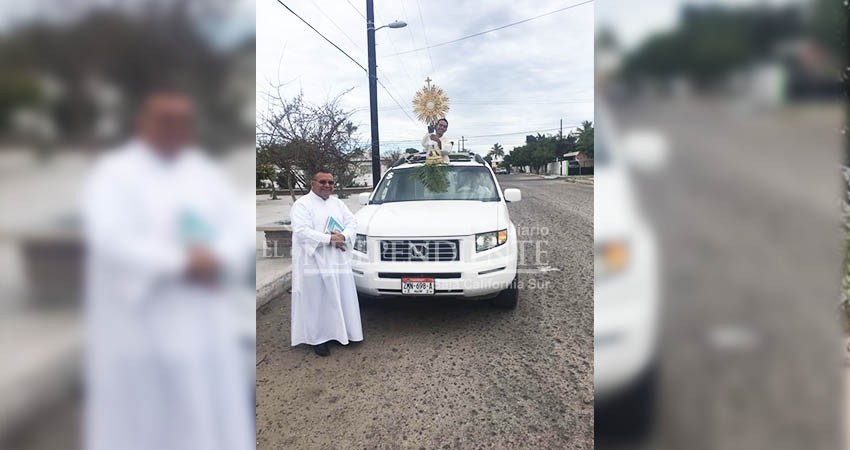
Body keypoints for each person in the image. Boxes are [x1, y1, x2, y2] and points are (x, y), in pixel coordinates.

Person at [82, 89, 255, 450]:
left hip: (205, 310)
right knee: (152, 414)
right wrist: (179, 263)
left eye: (182, 122)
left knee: (207, 406)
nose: (174, 129)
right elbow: (110, 237)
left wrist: (219, 255)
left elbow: (237, 225)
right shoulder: (115, 173)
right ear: (142, 123)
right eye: (165, 121)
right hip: (146, 316)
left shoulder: (204, 172)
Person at [290, 169, 363, 356]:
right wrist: (328, 239)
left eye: (331, 182)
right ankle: (318, 339)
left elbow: (352, 223)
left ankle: (343, 333)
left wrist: (344, 236)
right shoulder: (302, 205)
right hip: (313, 260)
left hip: (337, 258)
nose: (327, 186)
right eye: (323, 182)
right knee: (317, 300)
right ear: (312, 183)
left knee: (340, 294)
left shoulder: (337, 203)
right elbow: (301, 231)